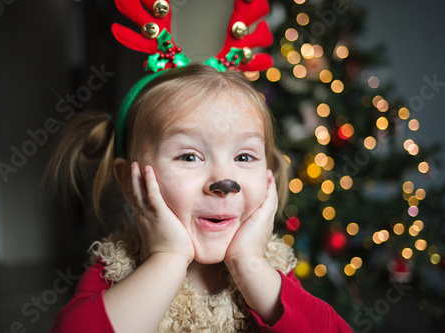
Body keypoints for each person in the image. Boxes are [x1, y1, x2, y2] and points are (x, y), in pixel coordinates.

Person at [47, 64, 353, 332]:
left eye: (244, 156)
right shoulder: (115, 268)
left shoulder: (272, 269)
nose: (225, 182)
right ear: (131, 181)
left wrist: (248, 264)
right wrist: (167, 258)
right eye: (189, 157)